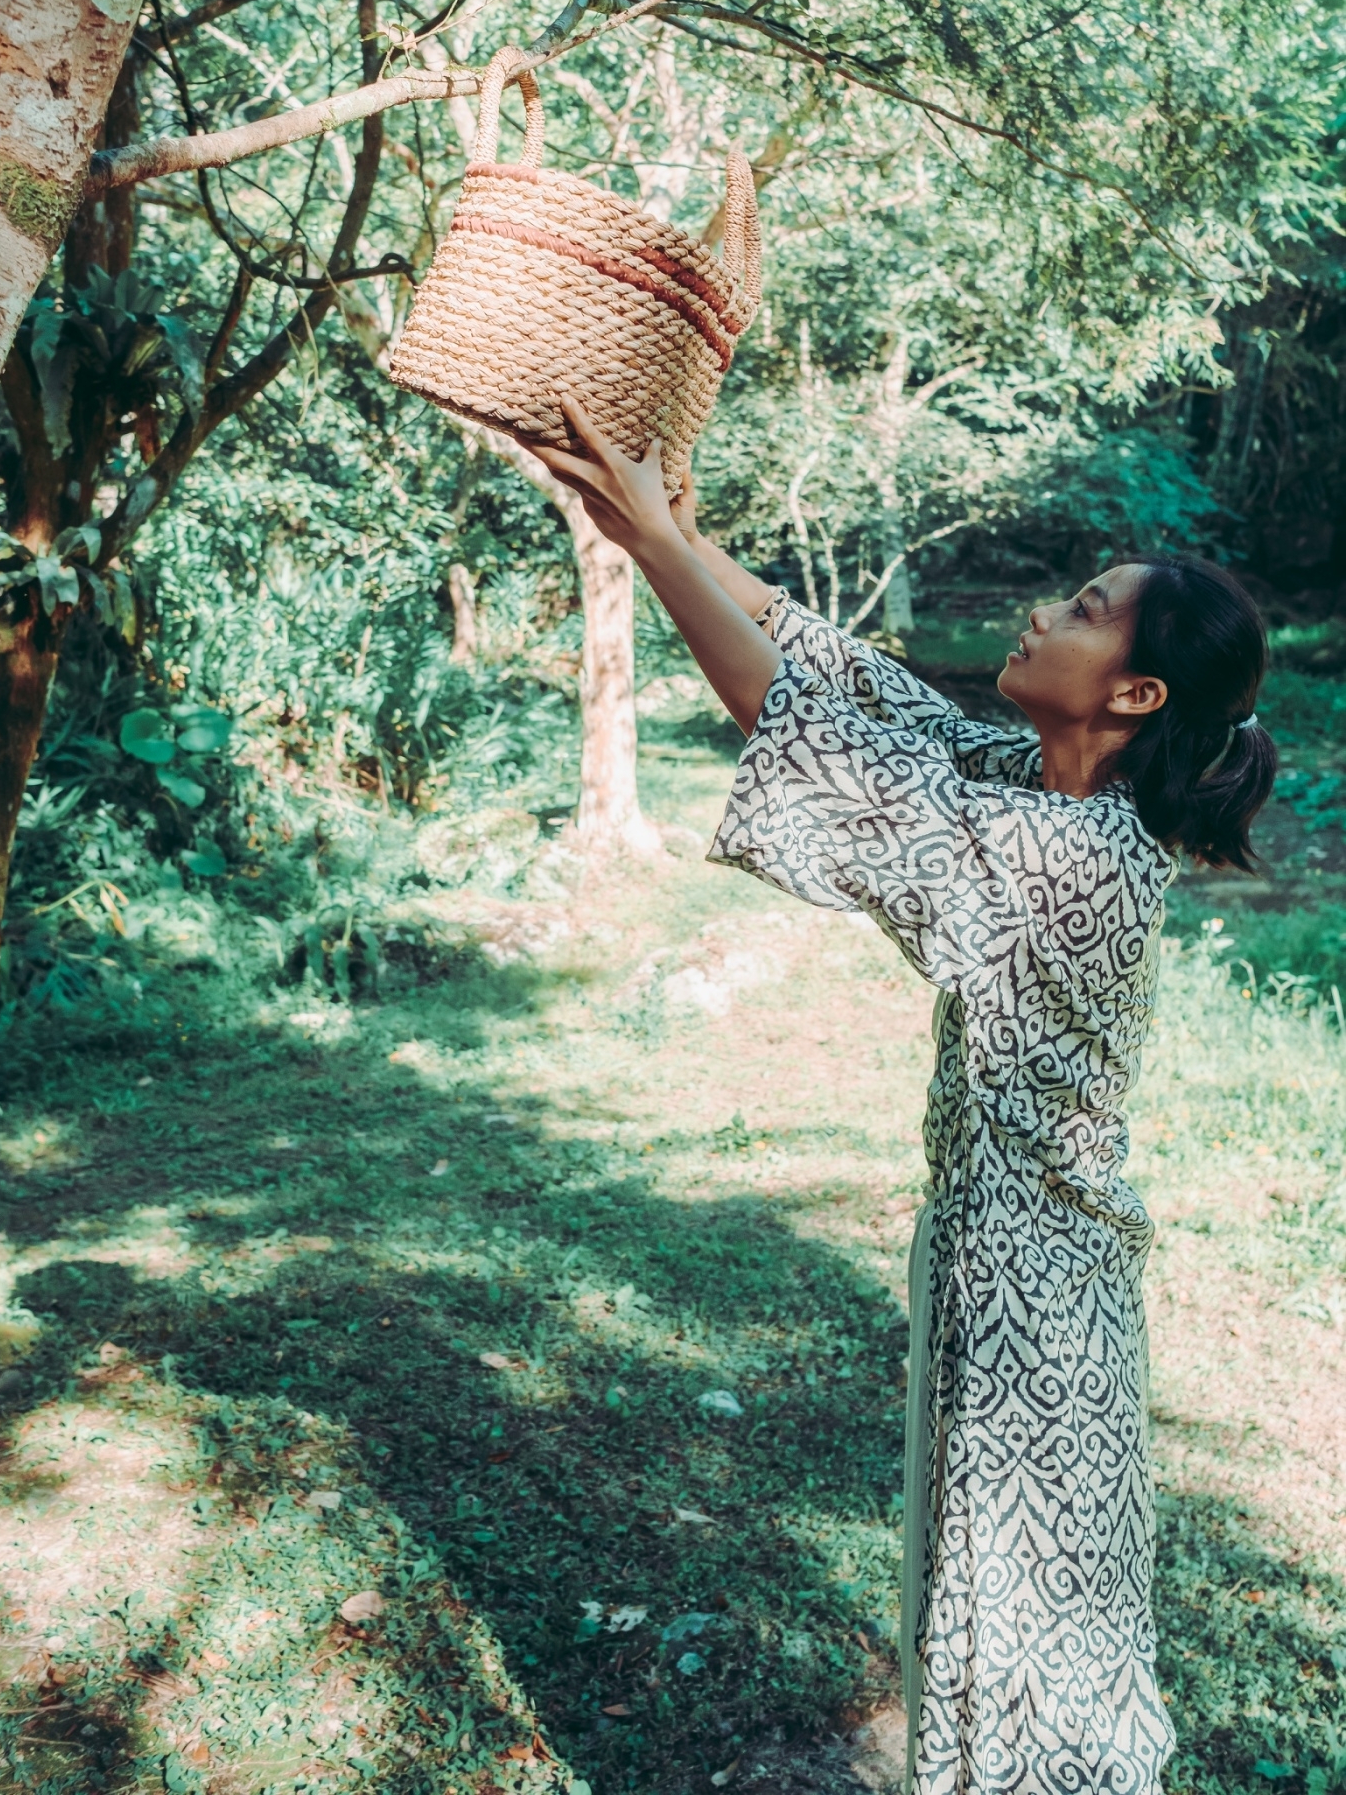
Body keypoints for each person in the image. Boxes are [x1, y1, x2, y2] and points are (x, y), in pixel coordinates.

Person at [528, 397, 1278, 1795]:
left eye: (1085, 609)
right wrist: (673, 529)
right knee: (993, 1605)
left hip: (1039, 1293)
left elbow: (806, 739)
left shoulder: (1082, 859)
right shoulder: (1030, 779)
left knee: (1029, 1621)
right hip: (1009, 1260)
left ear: (1135, 695)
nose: (1043, 613)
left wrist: (644, 535)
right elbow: (849, 686)